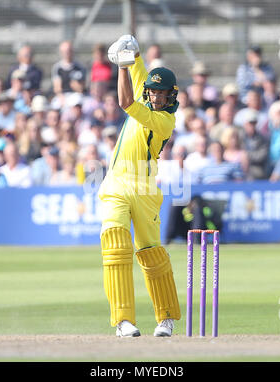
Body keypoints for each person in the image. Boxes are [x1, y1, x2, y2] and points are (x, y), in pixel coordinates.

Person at [98, 34, 181, 338]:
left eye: (162, 94)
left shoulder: (163, 121)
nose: (157, 97)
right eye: (154, 91)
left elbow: (124, 101)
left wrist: (121, 66)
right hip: (117, 181)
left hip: (145, 188)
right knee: (115, 244)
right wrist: (130, 47)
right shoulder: (146, 91)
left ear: (171, 96)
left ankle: (167, 318)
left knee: (150, 253)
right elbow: (135, 64)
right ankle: (123, 321)